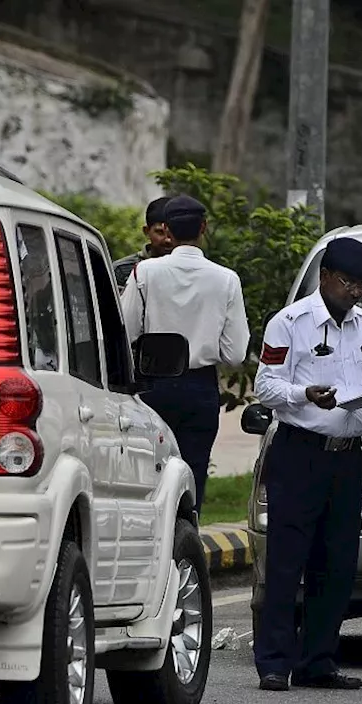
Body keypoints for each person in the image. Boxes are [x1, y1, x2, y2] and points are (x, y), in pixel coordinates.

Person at [252, 237, 362, 692]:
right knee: (285, 561)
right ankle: (275, 662)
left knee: (337, 563)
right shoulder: (290, 323)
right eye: (347, 282)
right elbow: (265, 386)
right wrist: (304, 394)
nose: (355, 292)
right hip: (300, 453)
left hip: (346, 458)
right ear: (325, 277)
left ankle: (318, 660)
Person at [121, 194, 250, 517]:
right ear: (203, 228)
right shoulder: (226, 279)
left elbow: (126, 332)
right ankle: (186, 548)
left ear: (168, 229)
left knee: (149, 478)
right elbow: (235, 353)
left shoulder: (145, 272)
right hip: (200, 388)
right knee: (192, 481)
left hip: (153, 385)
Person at [113, 195, 175, 290]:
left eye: (173, 232)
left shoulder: (192, 269)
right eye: (160, 232)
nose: (167, 239)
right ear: (146, 231)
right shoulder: (121, 271)